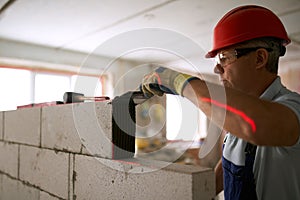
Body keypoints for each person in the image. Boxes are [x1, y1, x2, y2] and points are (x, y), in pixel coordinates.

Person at [140, 5, 300, 200]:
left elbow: (253, 125)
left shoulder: (293, 107)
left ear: (260, 58)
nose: (217, 69)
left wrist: (177, 82)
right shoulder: (236, 115)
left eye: (224, 58)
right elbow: (229, 166)